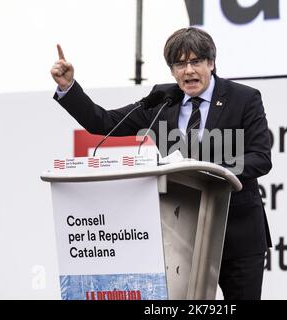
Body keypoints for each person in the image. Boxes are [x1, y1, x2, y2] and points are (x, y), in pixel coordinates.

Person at [51, 27, 272, 300]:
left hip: (238, 232)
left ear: (211, 63)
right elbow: (105, 123)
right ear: (172, 71)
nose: (188, 71)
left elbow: (260, 158)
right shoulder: (162, 100)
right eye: (180, 64)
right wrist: (68, 88)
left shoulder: (244, 98)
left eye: (196, 62)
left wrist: (207, 168)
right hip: (181, 236)